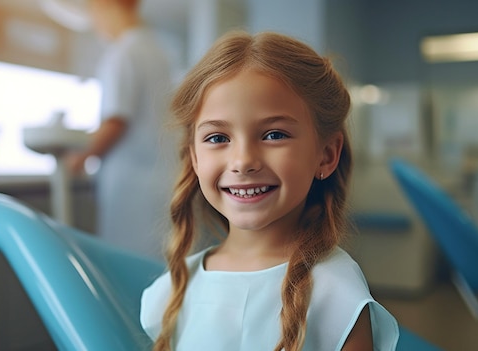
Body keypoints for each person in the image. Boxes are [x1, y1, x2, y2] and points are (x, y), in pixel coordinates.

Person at [139, 31, 400, 351]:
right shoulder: (173, 290)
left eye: (274, 134)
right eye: (218, 138)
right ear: (194, 157)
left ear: (327, 154)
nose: (243, 161)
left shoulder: (336, 290)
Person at [67, 0, 174, 258]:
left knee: (128, 264)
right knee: (156, 266)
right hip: (161, 177)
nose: (95, 23)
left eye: (94, 12)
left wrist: (82, 157)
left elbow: (116, 121)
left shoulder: (123, 52)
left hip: (131, 185)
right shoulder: (158, 50)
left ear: (107, 6)